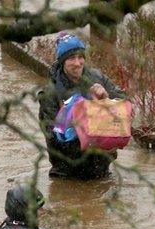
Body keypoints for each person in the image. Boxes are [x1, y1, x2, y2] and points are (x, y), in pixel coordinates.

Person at [37, 33, 126, 180]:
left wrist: (107, 98)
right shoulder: (49, 93)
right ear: (62, 62)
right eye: (71, 58)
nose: (78, 63)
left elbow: (125, 103)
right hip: (66, 174)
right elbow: (53, 137)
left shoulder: (98, 78)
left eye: (81, 57)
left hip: (102, 168)